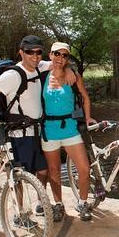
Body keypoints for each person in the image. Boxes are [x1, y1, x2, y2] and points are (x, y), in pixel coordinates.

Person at [0, 35, 75, 220]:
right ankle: (20, 211)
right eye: (30, 52)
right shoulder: (12, 75)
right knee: (19, 174)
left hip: (38, 130)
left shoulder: (39, 66)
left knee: (43, 170)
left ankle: (40, 202)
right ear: (21, 52)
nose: (35, 56)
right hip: (19, 133)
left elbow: (58, 61)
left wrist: (68, 67)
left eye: (38, 52)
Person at [41, 42, 95, 222]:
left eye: (65, 56)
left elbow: (85, 97)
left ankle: (83, 202)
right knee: (54, 171)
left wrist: (87, 118)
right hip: (49, 130)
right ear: (50, 55)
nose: (60, 58)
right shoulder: (41, 75)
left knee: (84, 169)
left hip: (70, 129)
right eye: (57, 54)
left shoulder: (74, 76)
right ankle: (58, 205)